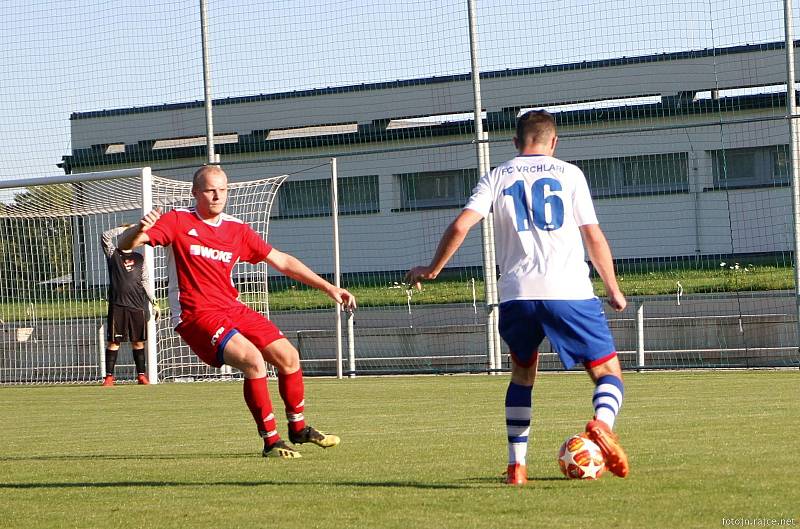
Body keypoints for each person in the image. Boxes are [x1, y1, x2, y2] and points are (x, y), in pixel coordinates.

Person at [406, 110, 629, 485]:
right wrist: (613, 288)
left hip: (516, 295)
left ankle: (517, 468)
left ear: (515, 142)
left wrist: (432, 269)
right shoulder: (571, 174)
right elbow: (592, 234)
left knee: (523, 375)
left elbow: (462, 224)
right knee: (607, 373)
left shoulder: (497, 176)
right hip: (569, 291)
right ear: (553, 142)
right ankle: (601, 425)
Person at [118, 165, 356, 459]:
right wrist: (137, 229)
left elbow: (281, 260)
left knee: (289, 356)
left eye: (222, 190)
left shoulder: (236, 229)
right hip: (196, 314)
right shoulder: (177, 221)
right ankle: (271, 441)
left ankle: (299, 429)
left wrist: (328, 287)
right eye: (209, 190)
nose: (217, 196)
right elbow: (125, 245)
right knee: (253, 361)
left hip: (232, 308)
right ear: (195, 193)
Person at [101, 225, 159, 386]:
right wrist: (123, 229)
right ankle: (109, 378)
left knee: (138, 341)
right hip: (118, 305)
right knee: (114, 342)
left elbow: (145, 281)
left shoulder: (140, 258)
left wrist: (154, 302)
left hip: (137, 305)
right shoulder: (113, 254)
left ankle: (141, 376)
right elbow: (105, 236)